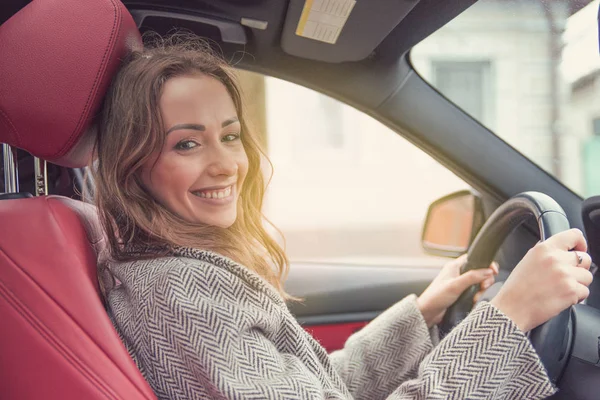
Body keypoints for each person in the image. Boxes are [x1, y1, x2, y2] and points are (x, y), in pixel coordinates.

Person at [93, 36, 593, 400]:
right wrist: (509, 319)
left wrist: (423, 312)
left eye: (230, 135)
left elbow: (318, 386)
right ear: (135, 165)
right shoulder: (185, 295)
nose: (227, 163)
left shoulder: (174, 267)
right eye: (187, 143)